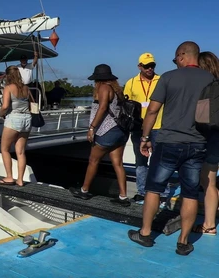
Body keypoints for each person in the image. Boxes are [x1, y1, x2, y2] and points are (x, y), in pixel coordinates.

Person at [128, 41, 214, 256]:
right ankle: (183, 242)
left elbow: (152, 112)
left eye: (176, 59)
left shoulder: (168, 77)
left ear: (182, 55)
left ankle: (146, 233)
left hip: (168, 141)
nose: (176, 63)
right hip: (197, 143)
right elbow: (207, 115)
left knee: (154, 188)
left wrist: (145, 138)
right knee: (191, 194)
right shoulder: (210, 79)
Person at [69, 64, 130, 207]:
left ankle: (84, 190)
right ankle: (123, 197)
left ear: (98, 79)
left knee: (93, 161)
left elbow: (102, 108)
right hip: (120, 131)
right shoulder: (116, 90)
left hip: (106, 131)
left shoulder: (104, 87)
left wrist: (91, 128)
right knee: (118, 163)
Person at [124, 53, 169, 207]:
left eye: (152, 65)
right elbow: (125, 104)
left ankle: (162, 194)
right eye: (146, 66)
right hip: (138, 128)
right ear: (139, 66)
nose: (150, 68)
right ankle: (142, 192)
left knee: (161, 161)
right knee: (141, 161)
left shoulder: (162, 80)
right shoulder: (131, 82)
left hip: (158, 127)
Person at [191, 51, 219, 235]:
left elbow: (201, 119)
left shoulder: (208, 88)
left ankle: (208, 225)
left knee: (207, 181)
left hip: (212, 138)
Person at [0, 66, 32, 187]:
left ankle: (9, 177)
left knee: (5, 149)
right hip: (27, 119)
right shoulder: (26, 88)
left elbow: (6, 106)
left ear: (8, 76)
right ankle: (20, 180)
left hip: (14, 119)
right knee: (21, 152)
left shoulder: (8, 88)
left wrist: (0, 113)